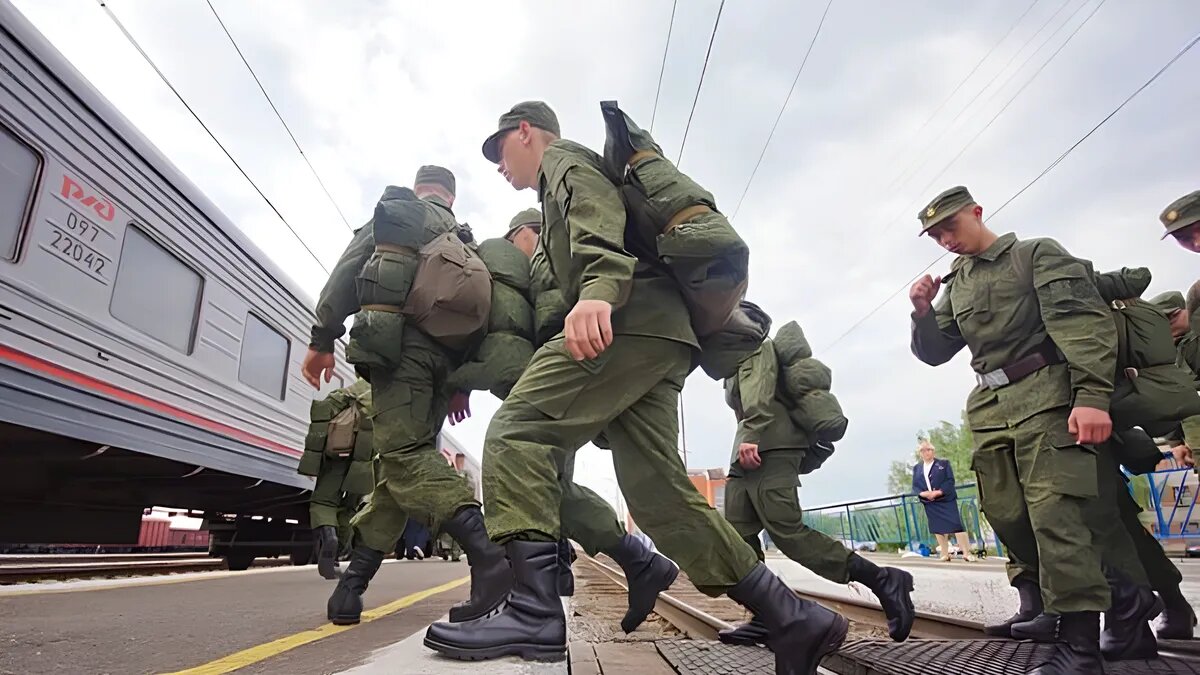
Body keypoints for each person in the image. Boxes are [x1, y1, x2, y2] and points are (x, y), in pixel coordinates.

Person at [423, 101, 849, 675]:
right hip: (660, 333)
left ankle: (533, 610)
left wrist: (597, 290)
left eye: (499, 149)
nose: (498, 164)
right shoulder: (554, 183)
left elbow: (597, 219)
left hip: (628, 320)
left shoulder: (563, 162)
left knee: (519, 431)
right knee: (659, 494)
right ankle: (793, 617)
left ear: (525, 133)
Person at [908, 185, 1155, 673]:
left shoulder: (1033, 254)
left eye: (950, 227)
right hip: (990, 407)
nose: (945, 240)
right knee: (1006, 513)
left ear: (977, 213)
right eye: (935, 236)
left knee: (1057, 514)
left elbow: (1083, 324)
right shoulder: (957, 281)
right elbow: (936, 352)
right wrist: (920, 313)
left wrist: (1089, 397)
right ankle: (1127, 600)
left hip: (1047, 394)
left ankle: (1081, 646)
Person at [301, 166, 510, 627]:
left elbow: (347, 273)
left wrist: (321, 340)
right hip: (445, 367)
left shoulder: (400, 214)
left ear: (420, 190)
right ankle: (351, 588)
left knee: (402, 456)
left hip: (401, 354)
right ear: (451, 198)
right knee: (395, 474)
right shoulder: (464, 239)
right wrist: (459, 385)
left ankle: (490, 557)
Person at [500, 207, 681, 632]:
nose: (513, 252)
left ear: (526, 233)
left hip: (563, 377)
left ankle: (539, 606)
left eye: (513, 242)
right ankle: (615, 566)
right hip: (567, 376)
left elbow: (549, 320)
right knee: (548, 483)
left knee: (536, 476)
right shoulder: (557, 251)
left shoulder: (548, 253)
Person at [719, 330, 915, 647]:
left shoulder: (753, 348)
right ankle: (765, 615)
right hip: (745, 451)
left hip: (770, 447)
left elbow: (760, 392)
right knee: (736, 537)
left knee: (788, 533)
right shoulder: (727, 359)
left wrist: (752, 434)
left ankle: (883, 580)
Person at [299, 378, 375, 580]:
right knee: (349, 507)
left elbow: (322, 414)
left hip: (338, 455)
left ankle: (329, 537)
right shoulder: (390, 396)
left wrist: (311, 461)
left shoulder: (353, 391)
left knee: (323, 501)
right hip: (366, 463)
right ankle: (337, 550)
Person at [911, 440, 976, 562]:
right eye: (923, 450)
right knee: (938, 527)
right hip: (929, 501)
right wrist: (922, 493)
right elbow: (915, 486)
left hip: (945, 498)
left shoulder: (943, 464)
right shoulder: (917, 468)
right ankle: (945, 554)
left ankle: (966, 553)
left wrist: (939, 492)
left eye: (928, 449)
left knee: (956, 525)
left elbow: (950, 481)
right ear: (920, 453)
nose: (926, 452)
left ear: (933, 451)